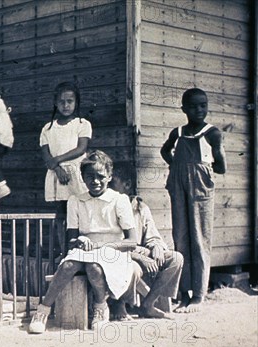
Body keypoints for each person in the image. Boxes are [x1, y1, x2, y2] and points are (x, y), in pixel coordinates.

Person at [28, 150, 139, 334]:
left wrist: (105, 246)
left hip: (115, 251)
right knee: (68, 265)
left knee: (94, 267)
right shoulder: (76, 201)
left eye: (100, 176)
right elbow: (71, 238)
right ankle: (43, 310)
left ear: (109, 177)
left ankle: (100, 308)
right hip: (85, 249)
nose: (95, 181)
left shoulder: (119, 200)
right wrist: (79, 240)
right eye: (89, 177)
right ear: (82, 178)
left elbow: (132, 241)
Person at [160, 88, 227, 313]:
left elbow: (222, 166)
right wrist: (176, 167)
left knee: (199, 238)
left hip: (200, 187)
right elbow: (165, 151)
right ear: (184, 109)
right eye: (193, 106)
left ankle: (199, 295)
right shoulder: (177, 133)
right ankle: (183, 293)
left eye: (203, 105)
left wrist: (203, 169)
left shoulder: (213, 133)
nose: (199, 110)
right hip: (178, 185)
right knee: (181, 237)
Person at [109, 165, 183, 320]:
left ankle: (148, 304)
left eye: (112, 183)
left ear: (127, 185)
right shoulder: (108, 207)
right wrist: (139, 256)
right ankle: (118, 304)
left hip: (141, 252)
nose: (108, 187)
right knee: (132, 266)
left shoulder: (140, 208)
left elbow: (152, 235)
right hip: (119, 254)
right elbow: (111, 244)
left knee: (176, 259)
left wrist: (156, 247)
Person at [40, 81, 92, 213]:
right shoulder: (48, 128)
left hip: (76, 173)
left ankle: (78, 235)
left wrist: (57, 159)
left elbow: (81, 149)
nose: (66, 105)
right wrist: (57, 169)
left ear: (76, 102)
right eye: (61, 102)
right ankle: (61, 234)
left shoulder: (82, 124)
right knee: (61, 213)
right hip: (57, 174)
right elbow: (46, 155)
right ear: (55, 103)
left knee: (80, 210)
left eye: (70, 101)